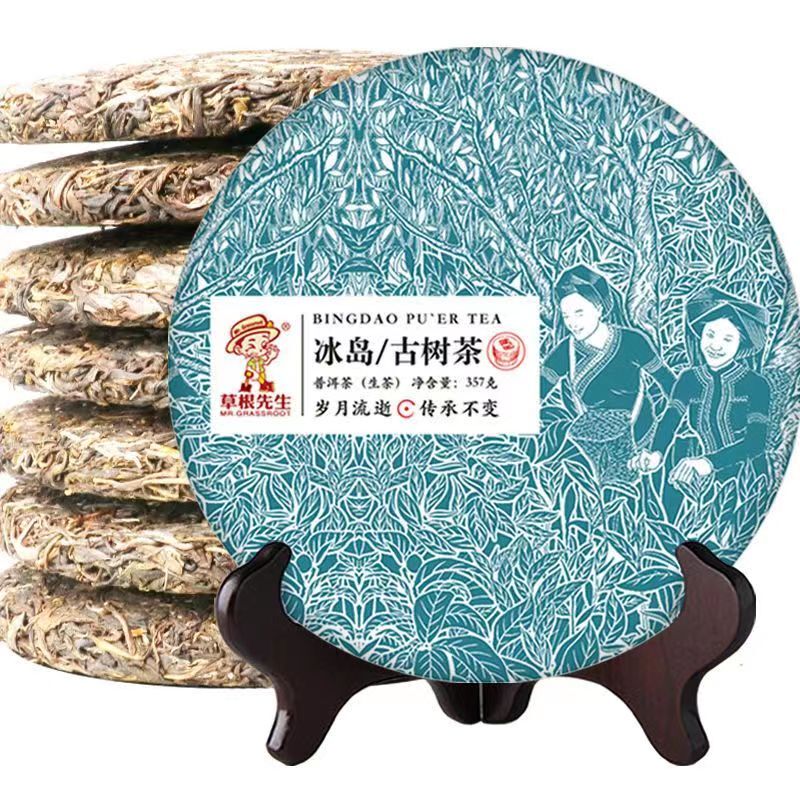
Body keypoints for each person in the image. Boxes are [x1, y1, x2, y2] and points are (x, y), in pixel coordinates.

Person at [541, 266, 675, 482]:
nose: (572, 322)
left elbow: (669, 385)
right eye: (566, 316)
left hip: (644, 440)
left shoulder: (633, 341)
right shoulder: (565, 351)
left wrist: (665, 438)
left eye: (579, 313)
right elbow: (537, 391)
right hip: (595, 444)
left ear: (600, 308)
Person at [629, 287, 771, 488]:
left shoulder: (756, 384)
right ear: (700, 335)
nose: (716, 345)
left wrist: (709, 463)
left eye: (728, 339)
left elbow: (756, 442)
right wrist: (655, 454)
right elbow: (670, 420)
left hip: (753, 479)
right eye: (710, 335)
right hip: (710, 481)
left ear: (741, 344)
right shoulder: (689, 379)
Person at [225, 313, 281, 392]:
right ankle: (255, 387)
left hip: (261, 374)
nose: (260, 350)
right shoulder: (251, 362)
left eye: (264, 344)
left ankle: (265, 387)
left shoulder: (260, 359)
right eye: (251, 346)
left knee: (262, 381)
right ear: (238, 350)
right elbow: (249, 369)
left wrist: (271, 357)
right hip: (254, 376)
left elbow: (265, 362)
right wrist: (252, 374)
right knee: (257, 382)